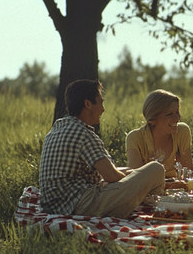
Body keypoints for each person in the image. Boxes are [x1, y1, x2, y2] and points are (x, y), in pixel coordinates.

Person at [39, 80, 165, 218]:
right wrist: (133, 182)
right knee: (155, 169)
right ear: (88, 104)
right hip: (81, 206)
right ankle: (158, 208)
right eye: (100, 102)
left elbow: (99, 173)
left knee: (132, 172)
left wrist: (132, 174)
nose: (103, 109)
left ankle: (145, 200)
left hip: (56, 205)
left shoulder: (56, 129)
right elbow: (112, 176)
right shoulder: (83, 133)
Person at [126, 90, 193, 178]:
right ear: (153, 120)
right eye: (169, 114)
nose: (177, 118)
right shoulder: (135, 138)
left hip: (176, 189)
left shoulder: (182, 131)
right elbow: (135, 178)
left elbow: (188, 172)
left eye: (177, 112)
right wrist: (171, 168)